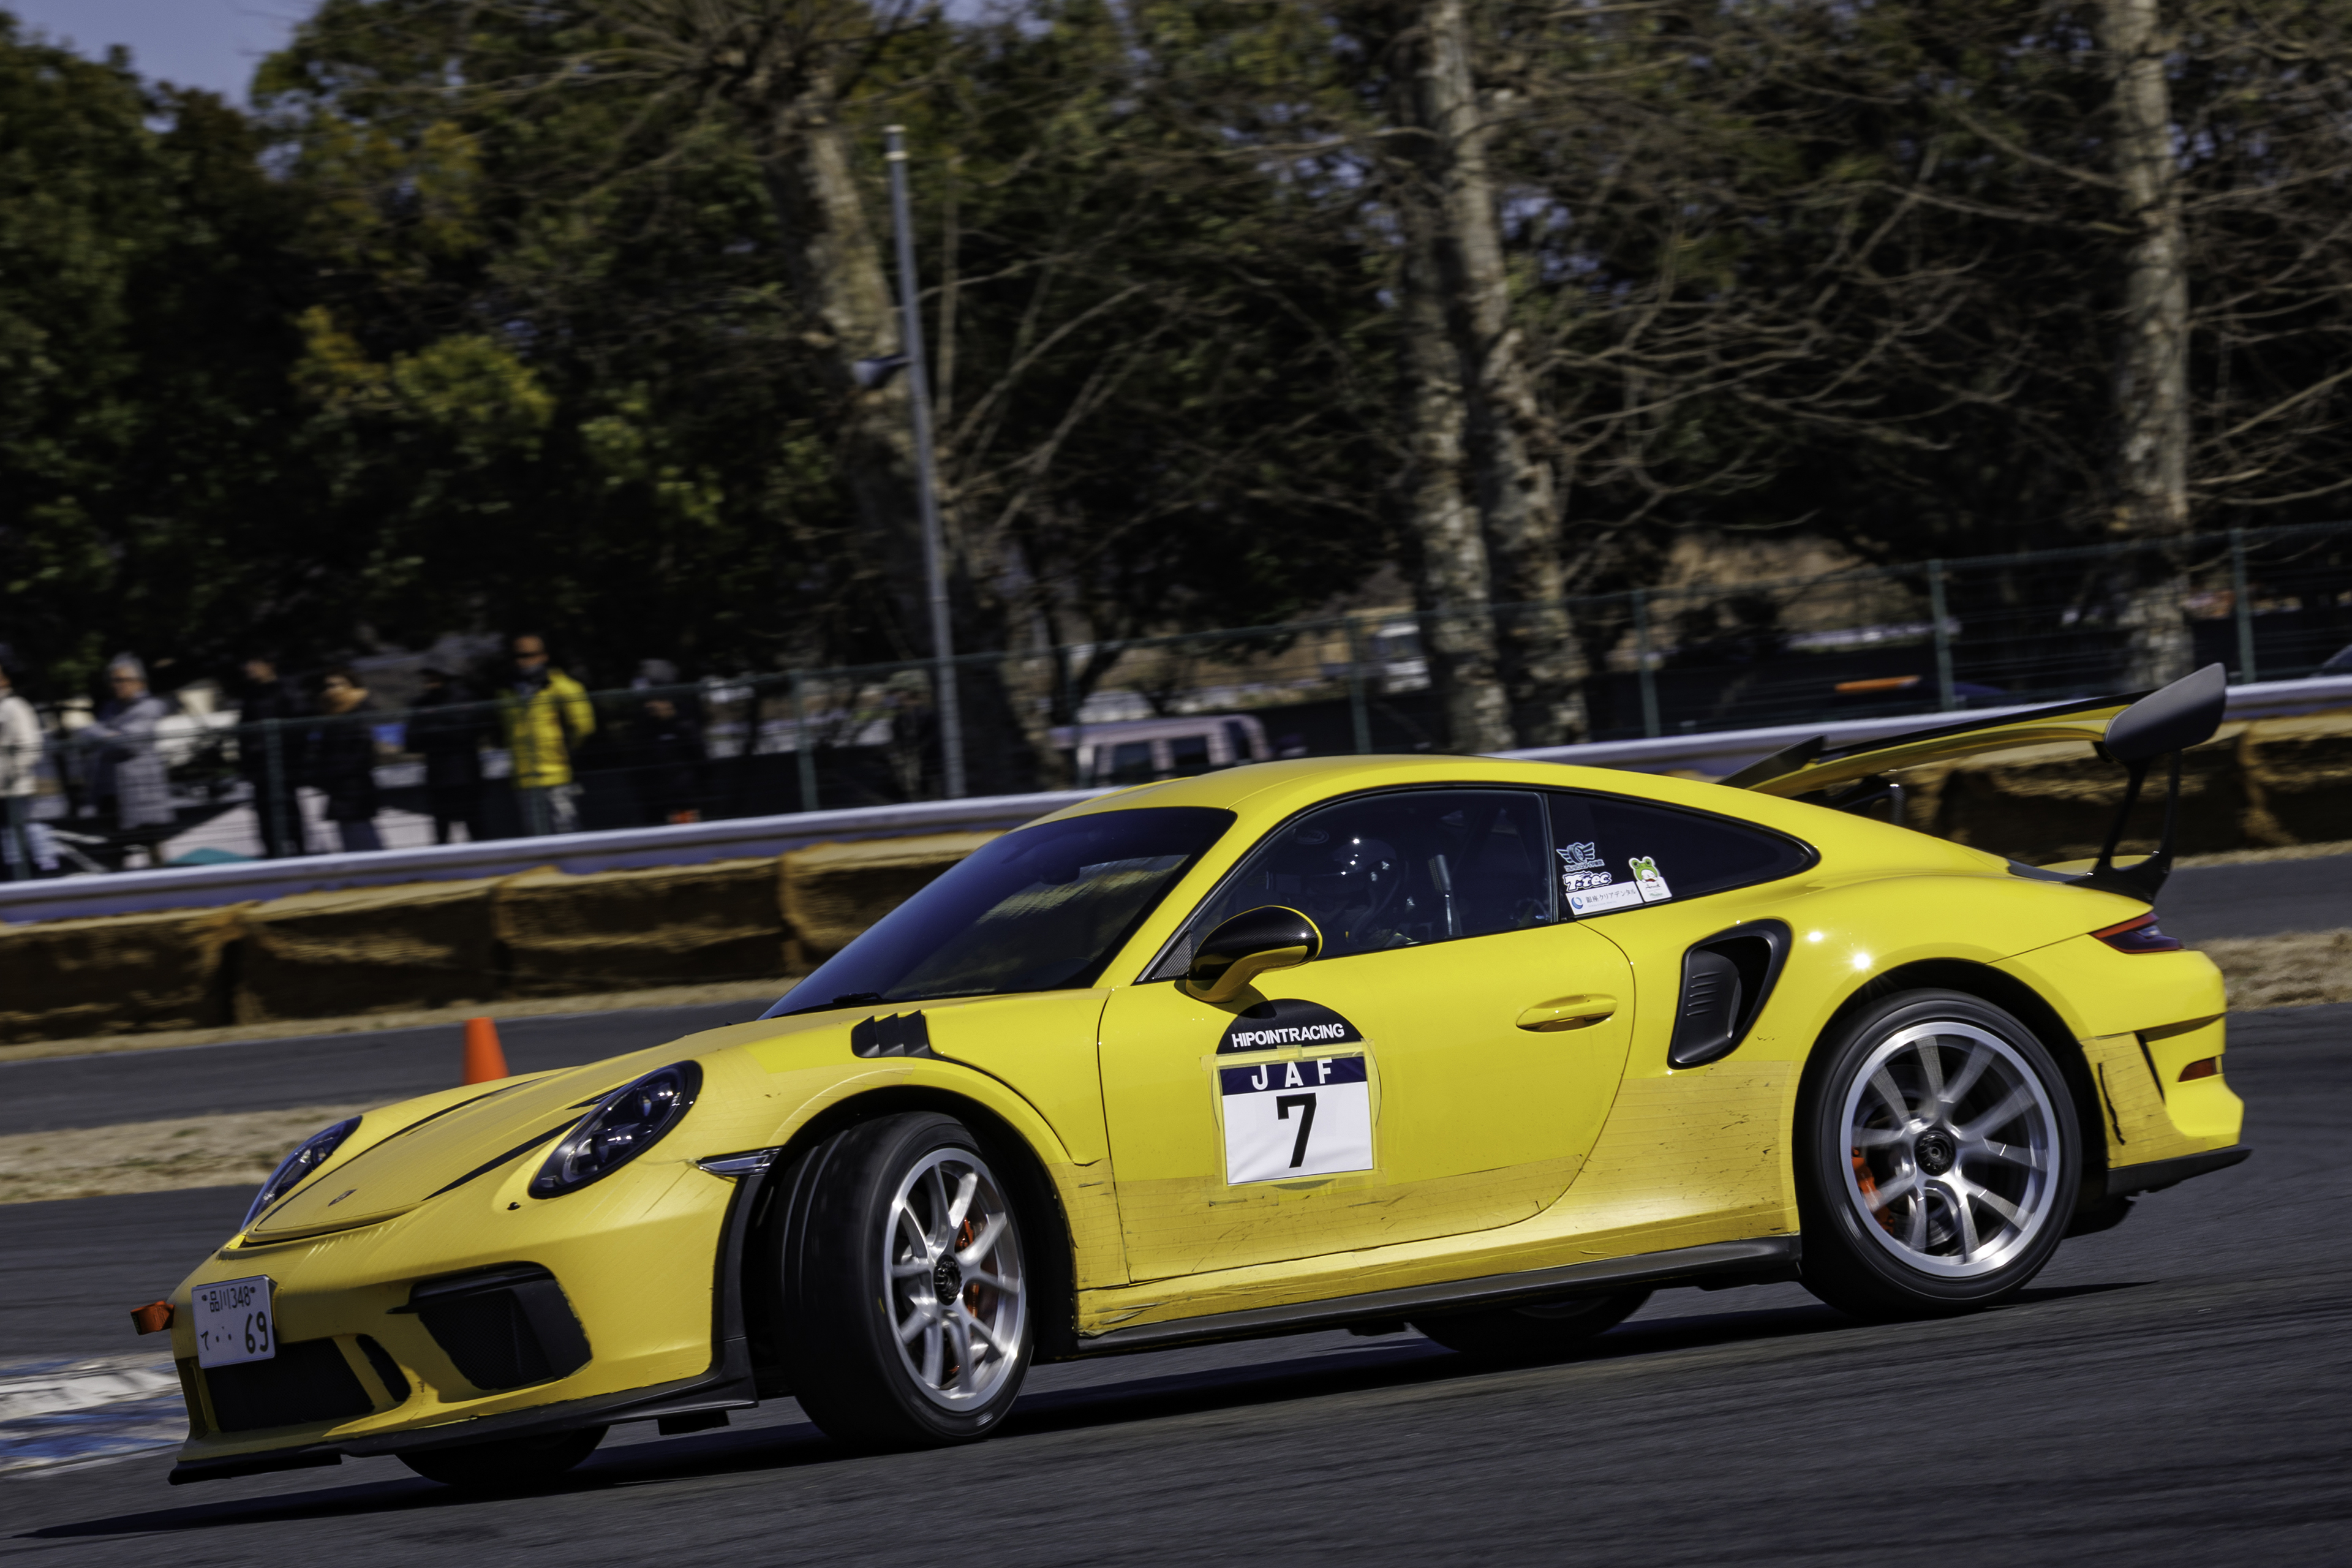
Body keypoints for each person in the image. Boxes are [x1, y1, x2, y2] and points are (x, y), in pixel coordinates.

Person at [498, 633, 595, 835]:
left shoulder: (562, 686)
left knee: (566, 831)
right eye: (517, 656)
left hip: (557, 776)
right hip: (524, 779)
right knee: (536, 837)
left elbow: (584, 726)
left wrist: (565, 750)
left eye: (528, 655)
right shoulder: (507, 691)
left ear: (544, 656)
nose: (521, 662)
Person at [80, 655, 175, 840]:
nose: (117, 685)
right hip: (111, 793)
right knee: (114, 847)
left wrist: (102, 735)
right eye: (114, 681)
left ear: (140, 683)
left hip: (142, 795)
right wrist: (108, 736)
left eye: (122, 680)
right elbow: (87, 736)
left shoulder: (149, 708)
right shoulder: (110, 708)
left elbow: (128, 743)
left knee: (151, 845)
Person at [236, 654, 307, 857]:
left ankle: (298, 853)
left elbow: (299, 725)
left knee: (288, 809)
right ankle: (273, 855)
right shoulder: (251, 694)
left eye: (254, 663)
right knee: (264, 813)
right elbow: (244, 731)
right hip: (259, 769)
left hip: (283, 766)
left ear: (269, 666)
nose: (248, 668)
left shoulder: (287, 691)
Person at [409, 666, 489, 843]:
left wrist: (430, 727)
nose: (429, 681)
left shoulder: (465, 698)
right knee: (441, 832)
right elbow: (411, 741)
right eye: (427, 677)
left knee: (475, 826)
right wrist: (443, 727)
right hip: (437, 778)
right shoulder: (422, 703)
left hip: (466, 776)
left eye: (434, 676)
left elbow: (464, 733)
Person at [307, 667, 383, 853]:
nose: (332, 690)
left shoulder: (359, 713)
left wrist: (337, 771)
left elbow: (363, 751)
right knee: (348, 836)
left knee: (362, 834)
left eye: (338, 685)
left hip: (355, 788)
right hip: (339, 788)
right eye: (329, 686)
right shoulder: (329, 716)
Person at [628, 660, 706, 824]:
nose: (649, 705)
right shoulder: (644, 730)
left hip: (682, 801)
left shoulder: (685, 727)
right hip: (653, 803)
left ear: (668, 700)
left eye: (655, 699)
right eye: (646, 701)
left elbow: (701, 762)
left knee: (685, 836)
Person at [0, 660, 42, 880]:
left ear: (5, 680)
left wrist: (9, 777)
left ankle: (28, 887)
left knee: (17, 850)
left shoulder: (15, 707)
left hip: (13, 792)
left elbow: (30, 747)